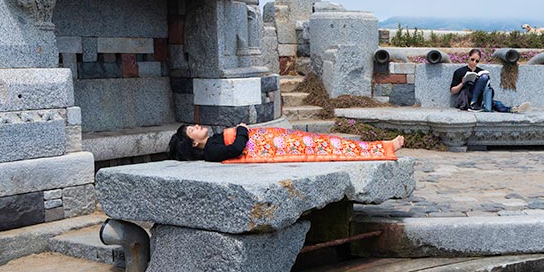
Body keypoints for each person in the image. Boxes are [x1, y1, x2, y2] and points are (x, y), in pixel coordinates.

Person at [168, 123, 404, 163]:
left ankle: (381, 146)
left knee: (327, 142)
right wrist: (242, 129)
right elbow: (237, 149)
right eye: (192, 130)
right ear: (193, 144)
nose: (197, 127)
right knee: (329, 147)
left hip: (276, 140)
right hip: (276, 145)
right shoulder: (210, 150)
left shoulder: (212, 141)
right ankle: (383, 147)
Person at [449, 49, 530, 113]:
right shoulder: (459, 71)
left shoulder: (481, 71)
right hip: (467, 99)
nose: (474, 63)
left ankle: (512, 109)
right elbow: (453, 91)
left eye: (477, 61)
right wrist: (463, 83)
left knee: (496, 103)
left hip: (480, 99)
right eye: (472, 59)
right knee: (484, 79)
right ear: (468, 57)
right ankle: (473, 103)